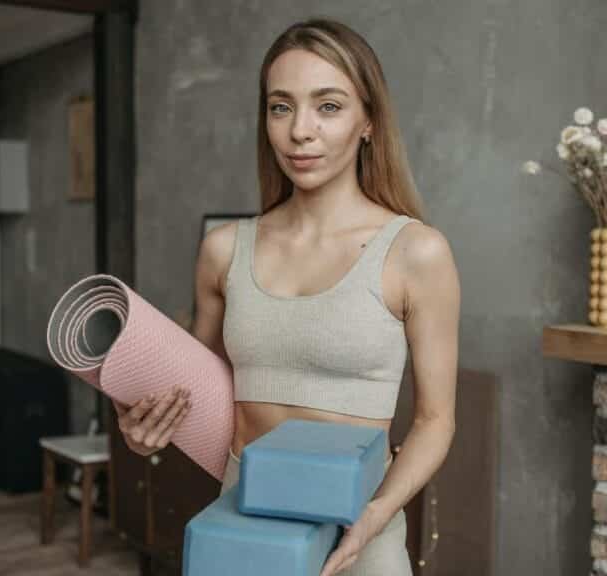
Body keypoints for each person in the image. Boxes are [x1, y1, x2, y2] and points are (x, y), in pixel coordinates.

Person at [114, 18, 459, 576]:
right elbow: (196, 397)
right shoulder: (224, 251)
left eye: (328, 106)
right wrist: (144, 428)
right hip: (242, 526)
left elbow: (435, 421)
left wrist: (372, 519)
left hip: (361, 533)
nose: (301, 130)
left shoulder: (416, 252)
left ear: (369, 120)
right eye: (281, 107)